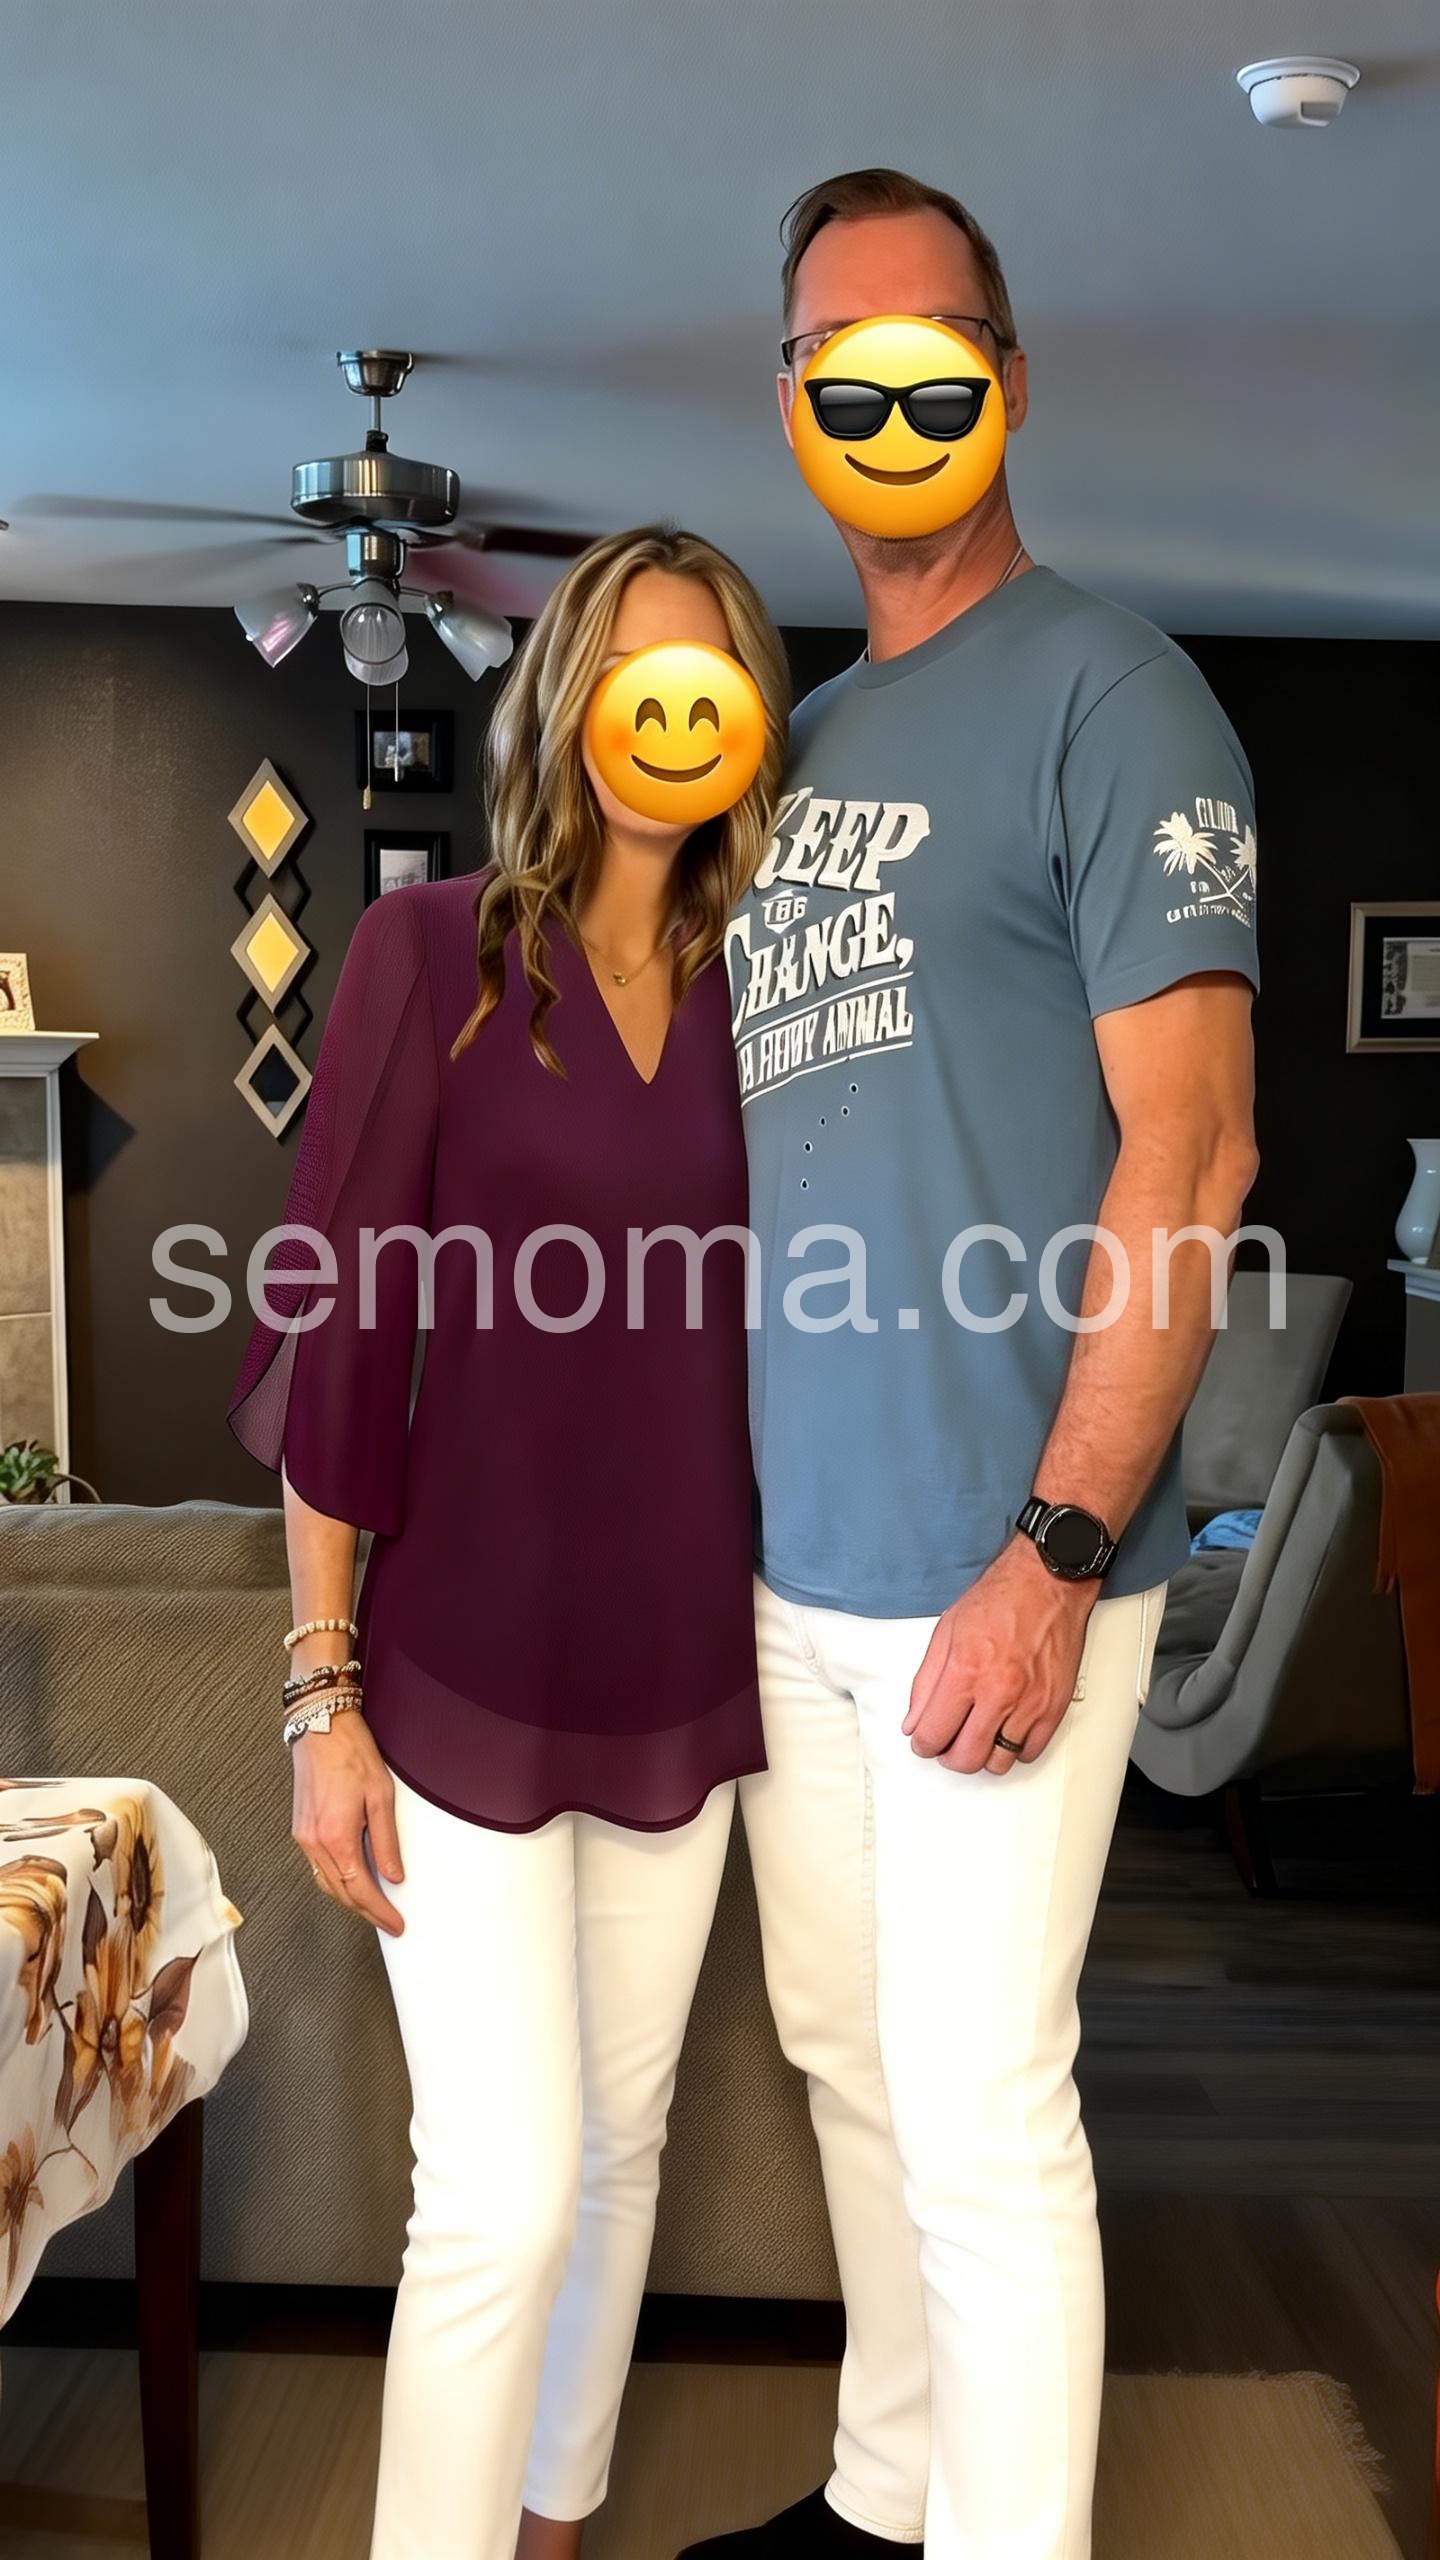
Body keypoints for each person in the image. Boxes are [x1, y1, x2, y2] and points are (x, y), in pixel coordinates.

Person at [683, 169, 1261, 2559]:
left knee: (985, 2102)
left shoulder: (1118, 694)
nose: (887, 393)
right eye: (840, 359)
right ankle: (884, 2492)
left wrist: (1057, 1545)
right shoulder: (790, 747)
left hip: (1001, 1554)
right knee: (851, 2058)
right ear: (795, 405)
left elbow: (1195, 1151)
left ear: (1004, 380)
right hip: (790, 1564)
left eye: (928, 348)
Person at [227, 525, 789, 2560]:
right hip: (457, 1669)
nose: (669, 711)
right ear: (562, 699)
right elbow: (339, 1326)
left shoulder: (771, 1001)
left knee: (624, 2146)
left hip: (688, 1661)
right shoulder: (429, 954)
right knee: (502, 2189)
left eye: (707, 675)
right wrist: (322, 1689)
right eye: (631, 666)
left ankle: (553, 2529)